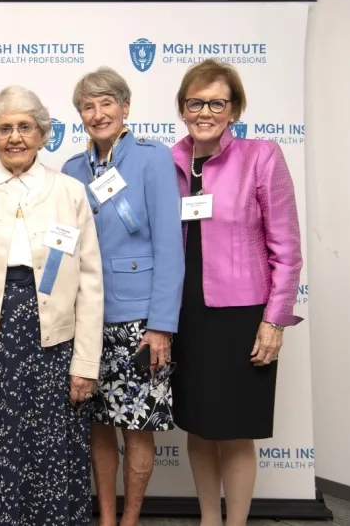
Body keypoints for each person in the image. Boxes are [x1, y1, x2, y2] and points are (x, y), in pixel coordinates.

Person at [0, 85, 104, 526]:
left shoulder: (68, 191)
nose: (15, 137)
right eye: (4, 128)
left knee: (50, 443)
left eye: (25, 127)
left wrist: (86, 361)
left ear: (42, 134)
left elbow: (89, 280)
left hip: (53, 337)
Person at [170, 59, 303, 526]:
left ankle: (237, 522)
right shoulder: (169, 159)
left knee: (235, 429)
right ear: (183, 108)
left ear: (234, 109)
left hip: (243, 314)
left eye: (216, 102)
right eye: (195, 102)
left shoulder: (260, 156)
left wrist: (274, 320)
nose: (205, 111)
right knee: (200, 425)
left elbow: (287, 249)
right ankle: (210, 519)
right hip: (188, 312)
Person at [61, 67, 185, 526]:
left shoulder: (153, 159)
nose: (98, 114)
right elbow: (63, 244)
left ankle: (130, 521)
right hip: (86, 320)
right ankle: (107, 519)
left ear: (125, 107)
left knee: (137, 427)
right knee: (96, 426)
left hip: (139, 322)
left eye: (106, 103)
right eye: (87, 107)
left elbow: (170, 248)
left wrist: (161, 327)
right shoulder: (73, 169)